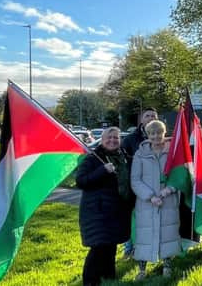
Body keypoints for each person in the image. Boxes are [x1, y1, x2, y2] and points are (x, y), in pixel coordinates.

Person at [76, 127, 134, 286]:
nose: (113, 140)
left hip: (117, 211)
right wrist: (102, 170)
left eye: (116, 138)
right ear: (102, 140)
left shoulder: (124, 157)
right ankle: (90, 281)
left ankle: (109, 278)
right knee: (99, 247)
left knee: (111, 246)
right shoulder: (93, 158)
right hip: (97, 212)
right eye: (109, 137)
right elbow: (81, 181)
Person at [130, 120, 181, 280]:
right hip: (146, 203)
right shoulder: (140, 154)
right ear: (148, 135)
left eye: (159, 132)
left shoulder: (172, 152)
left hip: (168, 200)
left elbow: (179, 176)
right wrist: (150, 196)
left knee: (168, 233)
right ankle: (142, 270)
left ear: (164, 133)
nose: (156, 136)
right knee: (144, 235)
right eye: (152, 133)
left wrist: (169, 190)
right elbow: (135, 180)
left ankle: (167, 266)